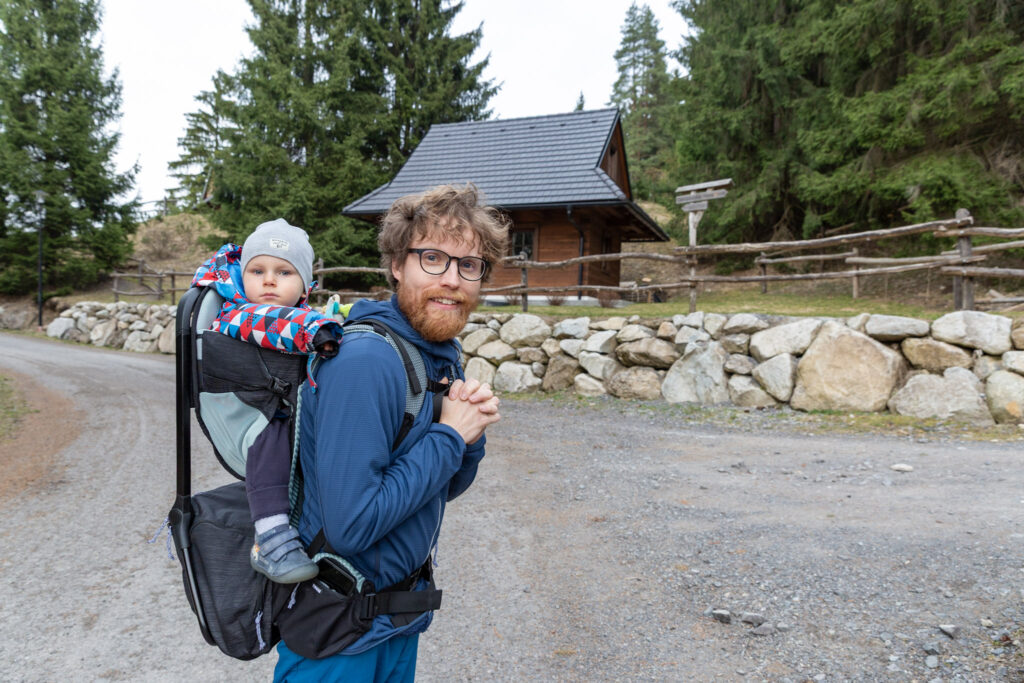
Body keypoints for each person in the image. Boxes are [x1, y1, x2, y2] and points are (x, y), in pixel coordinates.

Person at [274, 184, 509, 681]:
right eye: (433, 258)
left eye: (469, 265)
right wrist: (449, 437)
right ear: (397, 265)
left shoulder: (433, 354)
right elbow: (353, 525)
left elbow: (444, 487)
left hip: (392, 621)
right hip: (340, 641)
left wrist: (468, 434)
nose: (453, 279)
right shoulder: (367, 360)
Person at [191, 218, 340, 584]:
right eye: (257, 270)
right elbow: (272, 325)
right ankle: (269, 537)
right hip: (249, 414)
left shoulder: (301, 315)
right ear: (243, 277)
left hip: (284, 402)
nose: (269, 280)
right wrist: (316, 331)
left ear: (305, 285)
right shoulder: (236, 313)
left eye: (283, 272)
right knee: (272, 438)